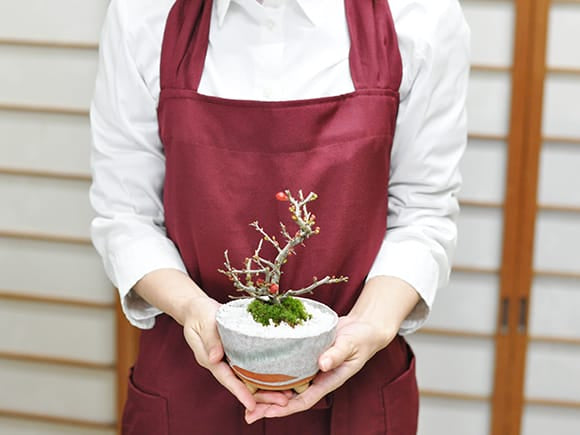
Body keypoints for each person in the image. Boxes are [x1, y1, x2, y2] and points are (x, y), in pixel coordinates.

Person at [90, 0, 469, 433]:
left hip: (355, 386)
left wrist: (369, 325)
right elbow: (126, 212)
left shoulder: (419, 17)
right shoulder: (144, 15)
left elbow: (423, 209)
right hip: (189, 377)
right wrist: (193, 308)